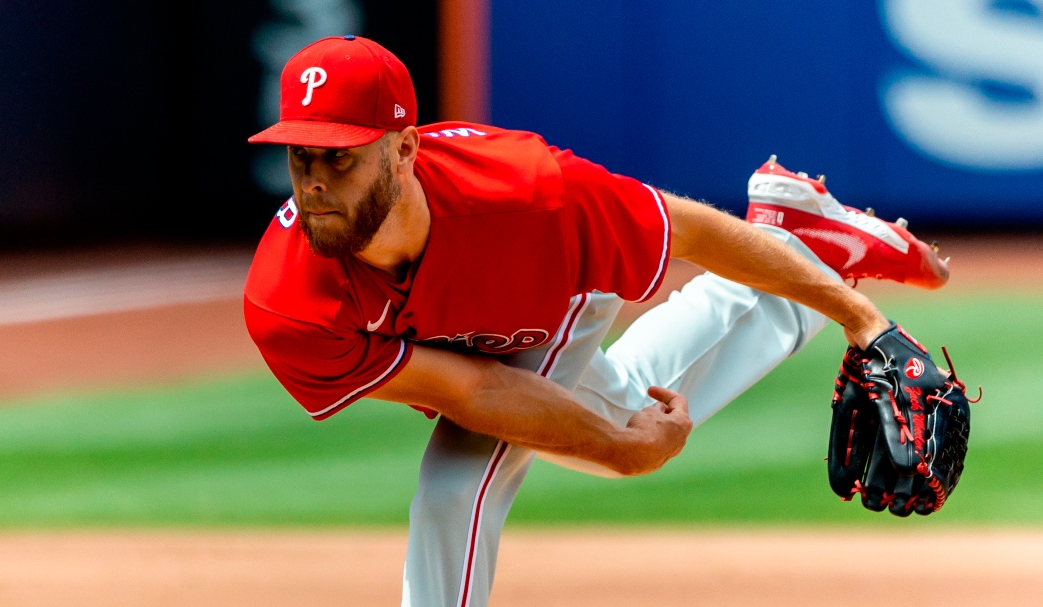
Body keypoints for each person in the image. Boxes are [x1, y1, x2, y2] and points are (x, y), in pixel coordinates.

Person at [243, 35, 949, 606]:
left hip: (554, 286)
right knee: (626, 410)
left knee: (457, 484)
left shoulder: (529, 194)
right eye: (301, 156)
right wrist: (620, 446)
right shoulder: (287, 300)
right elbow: (472, 390)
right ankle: (804, 245)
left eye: (340, 156)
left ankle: (804, 265)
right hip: (480, 339)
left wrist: (864, 321)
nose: (315, 183)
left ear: (403, 151)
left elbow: (690, 233)